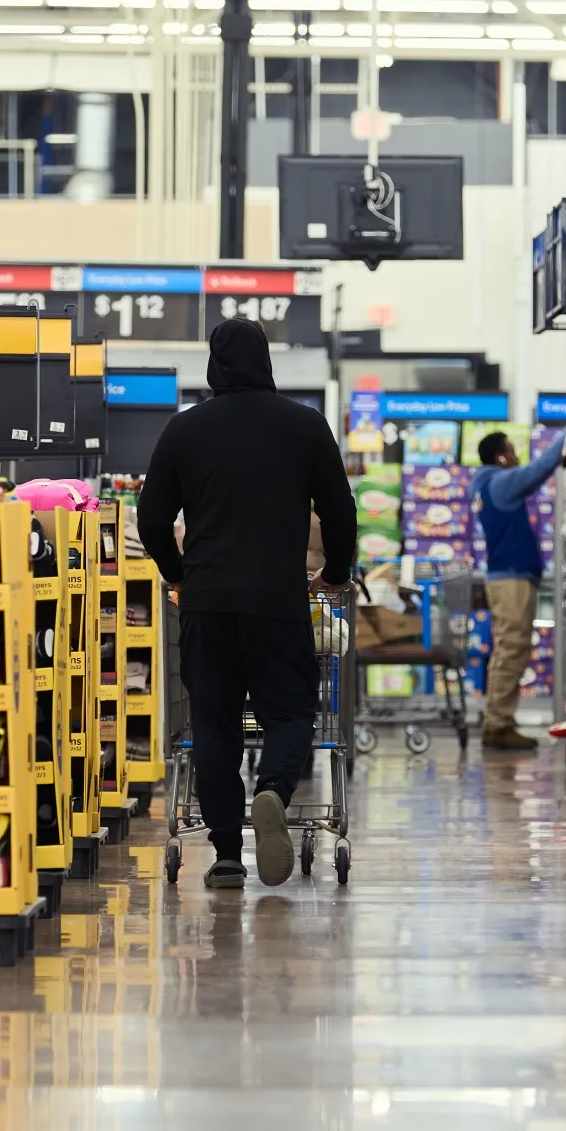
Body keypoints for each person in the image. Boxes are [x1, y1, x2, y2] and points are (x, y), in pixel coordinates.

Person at [137, 318, 356, 890]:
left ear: (214, 363)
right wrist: (334, 573)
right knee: (289, 712)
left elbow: (152, 519)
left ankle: (228, 854)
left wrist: (179, 575)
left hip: (208, 604)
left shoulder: (184, 431)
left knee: (213, 726)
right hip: (277, 600)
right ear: (266, 360)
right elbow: (340, 512)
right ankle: (274, 792)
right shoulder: (305, 427)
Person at [470, 429, 565, 752]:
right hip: (510, 580)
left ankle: (499, 721)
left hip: (506, 577)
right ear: (501, 456)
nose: (516, 457)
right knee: (511, 649)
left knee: (508, 649)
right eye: (511, 451)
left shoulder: (485, 485)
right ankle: (498, 724)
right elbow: (539, 470)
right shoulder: (500, 482)